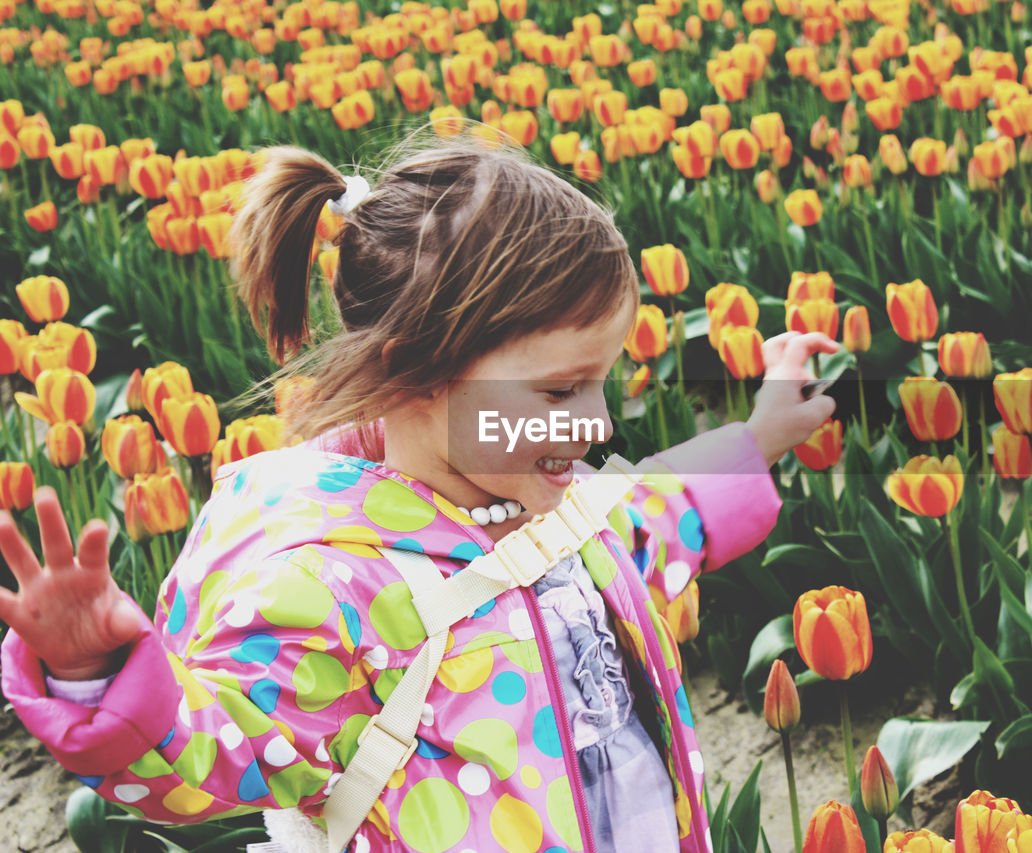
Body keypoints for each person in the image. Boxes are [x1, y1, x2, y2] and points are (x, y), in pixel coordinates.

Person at [0, 136, 838, 853]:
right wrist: (96, 678)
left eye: (600, 383)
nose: (596, 422)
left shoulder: (560, 508)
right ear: (416, 372)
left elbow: (658, 513)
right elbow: (223, 754)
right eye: (559, 393)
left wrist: (758, 434)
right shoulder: (331, 586)